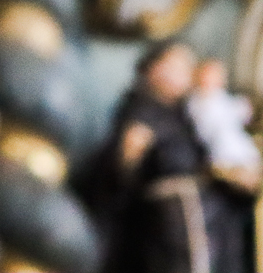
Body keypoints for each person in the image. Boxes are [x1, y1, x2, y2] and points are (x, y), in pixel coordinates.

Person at [94, 40, 251, 273]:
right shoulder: (140, 111)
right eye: (174, 64)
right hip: (171, 224)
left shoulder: (194, 115)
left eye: (187, 67)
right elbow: (118, 177)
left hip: (213, 223)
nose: (182, 73)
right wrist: (127, 157)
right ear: (152, 68)